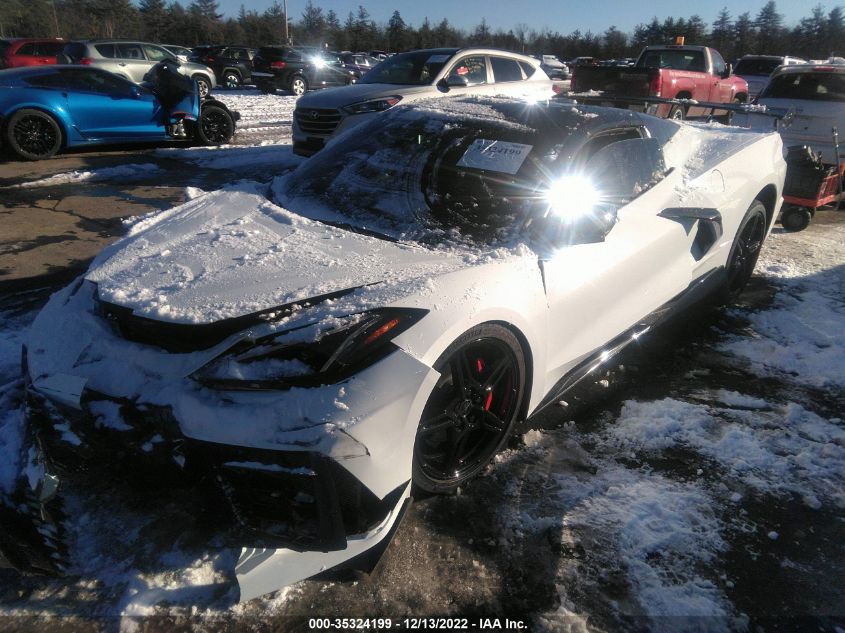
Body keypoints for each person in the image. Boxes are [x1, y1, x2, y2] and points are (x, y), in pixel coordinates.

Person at [145, 59, 196, 138]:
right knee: (169, 109)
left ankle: (172, 128)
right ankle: (171, 129)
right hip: (165, 95)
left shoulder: (160, 70)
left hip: (161, 93)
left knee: (169, 108)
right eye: (175, 67)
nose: (176, 69)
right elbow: (178, 80)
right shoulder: (167, 73)